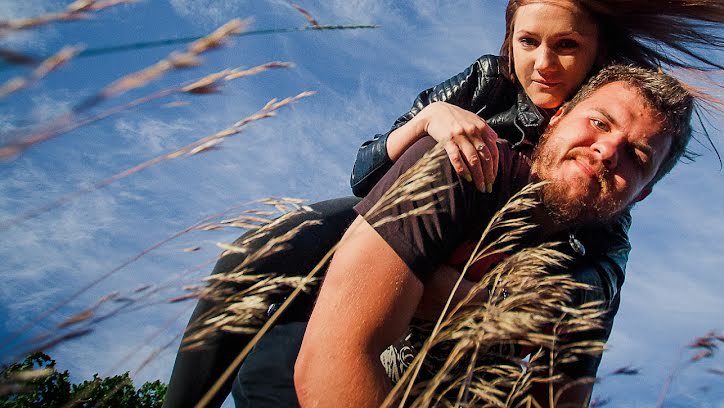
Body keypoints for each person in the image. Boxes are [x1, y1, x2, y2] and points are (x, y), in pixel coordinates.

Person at [163, 0, 724, 408]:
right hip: (388, 214)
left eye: (567, 47)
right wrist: (432, 122)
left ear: (596, 57)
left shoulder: (604, 192)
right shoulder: (483, 88)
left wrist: (484, 303)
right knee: (260, 254)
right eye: (529, 42)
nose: (544, 62)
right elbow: (368, 170)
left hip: (489, 263)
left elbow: (588, 303)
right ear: (509, 40)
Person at [292, 64, 693, 407]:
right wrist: (495, 306)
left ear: (642, 192)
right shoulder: (459, 163)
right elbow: (335, 355)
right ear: (557, 117)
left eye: (637, 156)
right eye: (599, 123)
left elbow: (560, 398)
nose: (607, 150)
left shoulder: (593, 275)